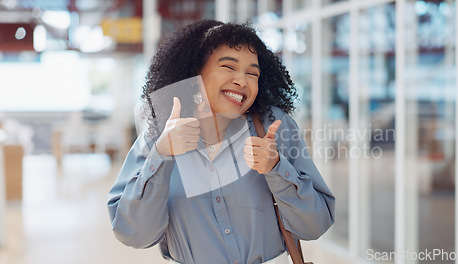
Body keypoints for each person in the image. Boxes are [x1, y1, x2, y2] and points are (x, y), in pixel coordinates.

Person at [107, 20, 335, 264]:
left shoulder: (273, 126)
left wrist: (277, 168)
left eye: (252, 73)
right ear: (195, 72)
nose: (242, 81)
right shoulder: (158, 136)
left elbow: (315, 224)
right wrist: (161, 156)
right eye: (229, 67)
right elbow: (134, 235)